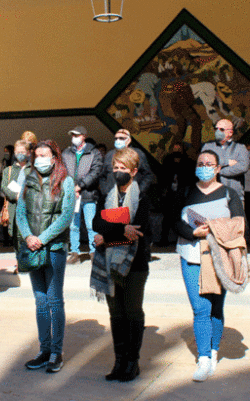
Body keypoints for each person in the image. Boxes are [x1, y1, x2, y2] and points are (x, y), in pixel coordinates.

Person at [176, 150, 244, 382]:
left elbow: (239, 224)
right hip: (191, 254)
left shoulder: (229, 194)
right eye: (200, 163)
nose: (204, 167)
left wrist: (215, 229)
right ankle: (203, 358)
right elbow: (174, 220)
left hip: (219, 256)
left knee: (215, 306)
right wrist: (193, 232)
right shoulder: (186, 191)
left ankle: (214, 351)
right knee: (200, 308)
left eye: (209, 164)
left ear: (218, 168)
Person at [91, 147, 151, 382]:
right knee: (116, 313)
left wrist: (107, 235)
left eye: (123, 168)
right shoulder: (106, 196)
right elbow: (97, 223)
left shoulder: (142, 197)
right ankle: (119, 361)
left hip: (135, 264)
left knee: (132, 311)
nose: (118, 172)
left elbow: (139, 230)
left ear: (134, 171)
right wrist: (121, 228)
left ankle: (132, 362)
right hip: (109, 263)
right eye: (115, 168)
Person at [16, 140, 75, 374]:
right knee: (40, 301)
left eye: (45, 155)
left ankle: (56, 352)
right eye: (37, 155)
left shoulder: (65, 181)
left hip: (54, 248)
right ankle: (44, 350)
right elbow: (20, 212)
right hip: (32, 248)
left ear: (54, 158)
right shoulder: (28, 180)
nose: (40, 159)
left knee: (54, 300)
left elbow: (66, 216)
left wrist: (42, 238)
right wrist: (28, 236)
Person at [62, 126, 103, 264]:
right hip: (72, 195)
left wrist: (80, 186)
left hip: (89, 194)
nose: (74, 137)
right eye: (72, 135)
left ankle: (94, 252)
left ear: (84, 136)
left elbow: (95, 172)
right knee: (73, 226)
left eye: (77, 135)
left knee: (91, 225)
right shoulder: (66, 153)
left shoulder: (94, 153)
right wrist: (70, 188)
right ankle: (75, 253)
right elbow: (62, 171)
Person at [157, 142, 195, 247]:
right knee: (167, 217)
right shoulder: (168, 161)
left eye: (179, 149)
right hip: (169, 192)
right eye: (175, 149)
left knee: (181, 217)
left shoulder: (188, 162)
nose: (177, 151)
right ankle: (164, 239)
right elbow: (163, 175)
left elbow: (190, 177)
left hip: (182, 193)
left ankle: (182, 239)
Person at [201, 118, 250, 202]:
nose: (217, 131)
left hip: (235, 197)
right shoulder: (208, 146)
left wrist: (219, 171)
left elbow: (243, 167)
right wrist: (227, 162)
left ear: (230, 132)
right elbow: (204, 163)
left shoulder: (240, 148)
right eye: (216, 129)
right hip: (211, 196)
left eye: (221, 129)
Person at [100, 129, 155, 195]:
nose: (118, 140)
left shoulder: (138, 154)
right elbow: (102, 176)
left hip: (131, 196)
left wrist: (139, 191)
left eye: (121, 138)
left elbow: (148, 175)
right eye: (116, 138)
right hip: (111, 196)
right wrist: (105, 191)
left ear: (128, 140)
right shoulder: (109, 155)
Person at [0, 140, 32, 249]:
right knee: (16, 240)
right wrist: (16, 196)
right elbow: (4, 187)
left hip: (29, 208)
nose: (20, 154)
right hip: (13, 208)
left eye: (22, 152)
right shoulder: (8, 170)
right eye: (18, 152)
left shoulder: (33, 169)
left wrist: (25, 196)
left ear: (28, 153)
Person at [0, 144, 15, 246]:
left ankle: (13, 238)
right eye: (5, 151)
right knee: (4, 214)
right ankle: (6, 239)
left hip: (13, 193)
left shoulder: (16, 164)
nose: (6, 153)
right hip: (2, 194)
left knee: (13, 215)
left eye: (8, 151)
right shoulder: (1, 163)